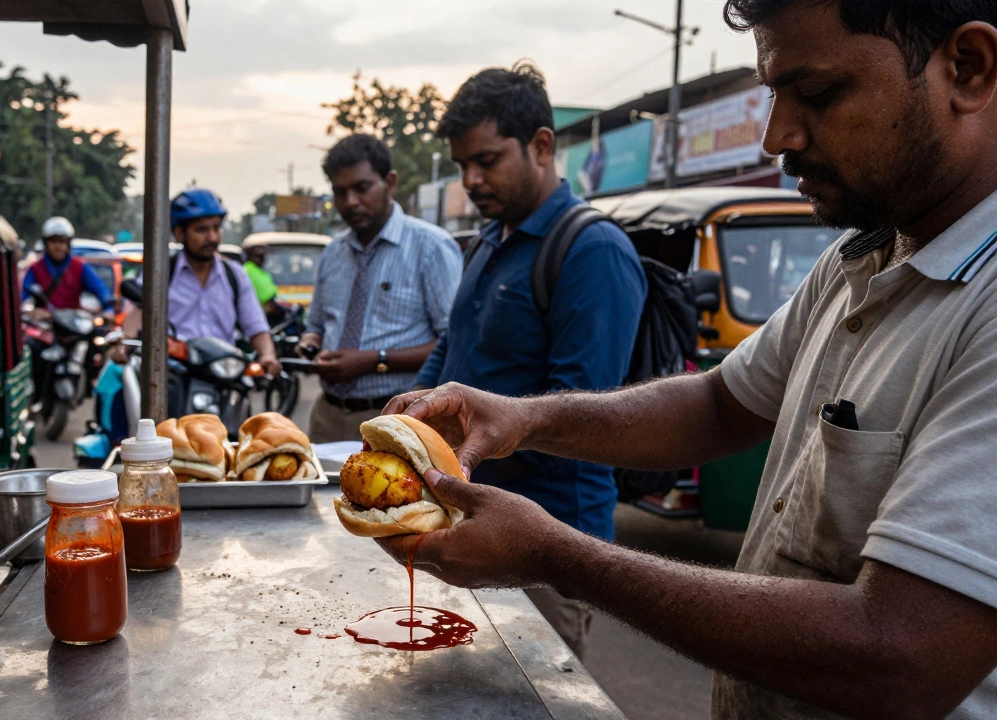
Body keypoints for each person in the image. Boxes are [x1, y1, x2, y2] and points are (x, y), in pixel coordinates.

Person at [377, 3, 997, 718]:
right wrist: (522, 417)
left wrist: (555, 555)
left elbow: (901, 654)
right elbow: (717, 405)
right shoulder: (860, 256)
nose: (776, 137)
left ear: (969, 69)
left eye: (818, 94)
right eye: (772, 94)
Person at [413, 64, 646, 657]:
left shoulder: (592, 251)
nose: (471, 180)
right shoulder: (490, 239)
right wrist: (411, 422)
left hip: (547, 540)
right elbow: (455, 343)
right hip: (465, 516)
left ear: (542, 145)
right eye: (463, 166)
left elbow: (583, 409)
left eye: (486, 161)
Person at [297, 134, 461, 443]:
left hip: (400, 419)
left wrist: (374, 359)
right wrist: (309, 346)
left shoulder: (431, 247)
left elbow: (453, 343)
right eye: (340, 192)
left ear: (390, 181)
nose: (350, 202)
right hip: (328, 417)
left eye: (361, 188)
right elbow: (316, 325)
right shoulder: (332, 252)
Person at [166, 188, 281, 377]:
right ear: (180, 233)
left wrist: (267, 355)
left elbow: (255, 326)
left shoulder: (235, 274)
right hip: (173, 374)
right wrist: (123, 344)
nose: (212, 237)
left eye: (216, 228)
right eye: (202, 230)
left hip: (223, 376)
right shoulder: (162, 273)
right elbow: (137, 316)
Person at [22, 216, 115, 313]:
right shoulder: (35, 269)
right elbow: (23, 297)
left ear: (68, 244)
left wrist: (108, 309)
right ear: (46, 243)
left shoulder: (79, 267)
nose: (58, 246)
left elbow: (100, 289)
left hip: (73, 324)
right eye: (53, 241)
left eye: (62, 241)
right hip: (43, 323)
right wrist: (29, 312)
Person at [242, 244, 284, 325]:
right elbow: (268, 296)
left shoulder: (259, 271)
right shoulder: (249, 270)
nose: (262, 259)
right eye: (258, 256)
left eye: (262, 256)